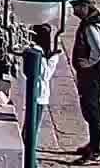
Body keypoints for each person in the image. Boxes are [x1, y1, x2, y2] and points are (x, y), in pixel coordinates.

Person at [70, 0, 100, 163]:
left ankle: (95, 151)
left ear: (85, 7)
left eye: (76, 7)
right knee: (91, 105)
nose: (74, 11)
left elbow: (99, 50)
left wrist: (86, 64)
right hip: (93, 72)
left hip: (92, 74)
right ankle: (92, 144)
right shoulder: (97, 19)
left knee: (92, 107)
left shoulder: (90, 26)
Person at [27, 24, 63, 152]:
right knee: (32, 128)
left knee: (30, 127)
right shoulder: (38, 54)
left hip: (36, 93)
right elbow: (45, 75)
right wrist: (54, 59)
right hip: (38, 94)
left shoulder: (38, 51)